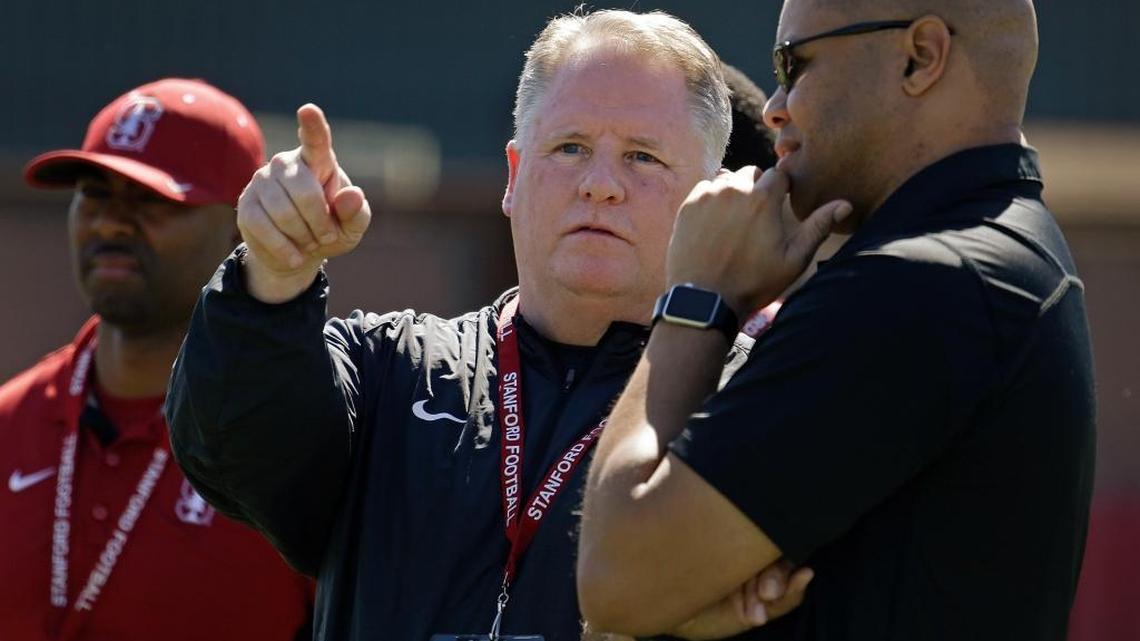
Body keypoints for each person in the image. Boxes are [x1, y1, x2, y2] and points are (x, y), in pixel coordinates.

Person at [166, 10, 812, 641]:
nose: (600, 185)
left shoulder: (756, 397)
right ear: (513, 175)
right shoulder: (386, 367)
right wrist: (273, 278)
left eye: (642, 157)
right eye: (570, 147)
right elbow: (231, 450)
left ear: (711, 194)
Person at [577, 1, 1095, 640]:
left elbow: (618, 581)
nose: (773, 107)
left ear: (921, 57)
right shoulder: (1000, 254)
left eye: (794, 64)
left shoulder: (921, 284)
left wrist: (696, 297)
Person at [0, 78, 313, 641]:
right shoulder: (9, 423)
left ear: (241, 227)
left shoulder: (293, 448)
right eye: (94, 193)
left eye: (151, 200)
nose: (111, 223)